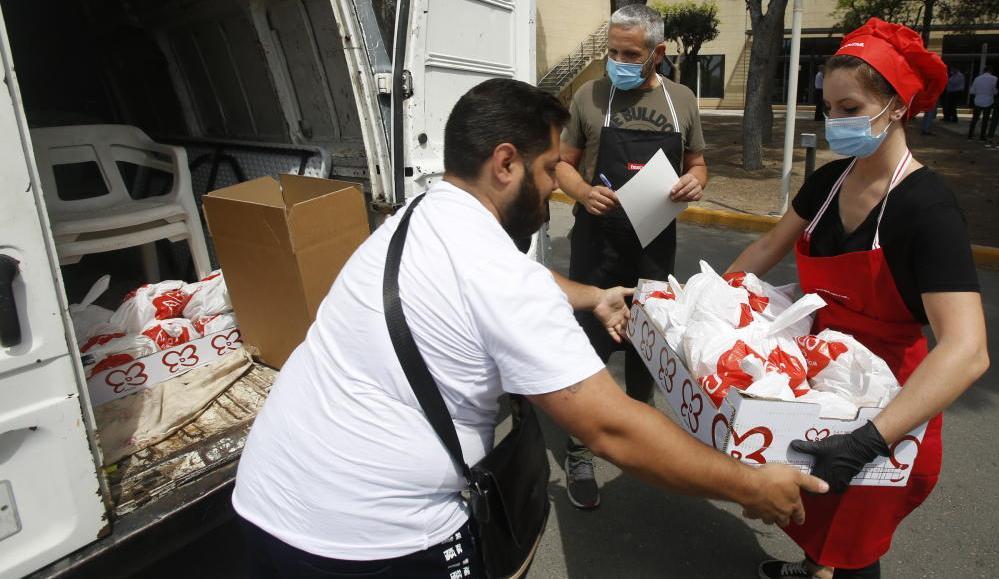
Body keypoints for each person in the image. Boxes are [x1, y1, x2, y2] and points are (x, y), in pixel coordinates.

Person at [231, 79, 825, 578]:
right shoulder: (498, 278)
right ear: (506, 162)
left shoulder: (421, 213)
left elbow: (516, 276)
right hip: (373, 543)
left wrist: (593, 295)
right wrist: (749, 485)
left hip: (267, 502)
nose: (552, 190)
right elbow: (612, 428)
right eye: (547, 170)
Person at [726, 18, 990, 579]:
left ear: (895, 106)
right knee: (812, 505)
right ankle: (811, 566)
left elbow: (967, 350)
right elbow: (770, 244)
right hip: (818, 378)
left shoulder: (928, 209)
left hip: (886, 402)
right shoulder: (827, 183)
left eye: (850, 109)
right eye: (829, 109)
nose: (833, 123)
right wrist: (710, 308)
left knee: (854, 543)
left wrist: (869, 440)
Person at [556, 4, 707, 510]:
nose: (618, 61)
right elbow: (563, 165)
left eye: (630, 53)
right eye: (613, 51)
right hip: (596, 243)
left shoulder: (682, 100)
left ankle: (637, 432)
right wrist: (580, 192)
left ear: (658, 53)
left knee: (649, 344)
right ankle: (581, 448)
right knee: (591, 347)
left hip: (654, 243)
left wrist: (696, 182)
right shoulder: (589, 95)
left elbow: (699, 164)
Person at [967, 66, 997, 140]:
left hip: (978, 100)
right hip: (989, 101)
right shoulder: (995, 79)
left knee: (975, 119)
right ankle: (982, 136)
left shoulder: (977, 79)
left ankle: (970, 135)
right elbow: (995, 91)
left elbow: (972, 91)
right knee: (985, 120)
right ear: (991, 71)